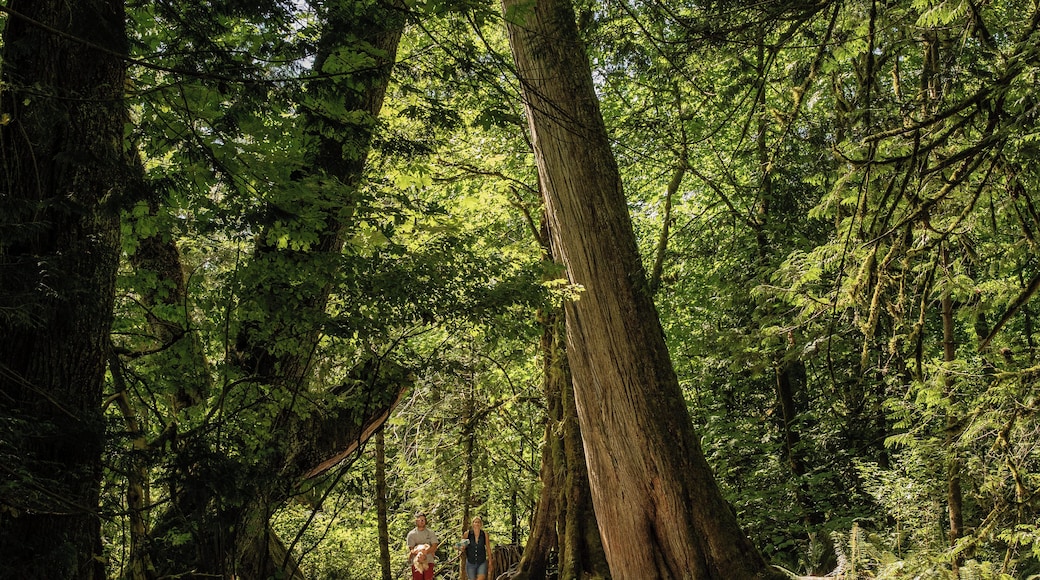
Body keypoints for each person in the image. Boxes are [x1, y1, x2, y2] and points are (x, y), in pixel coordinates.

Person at [406, 512, 439, 580]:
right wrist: (417, 551)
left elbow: (434, 546)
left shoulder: (430, 533)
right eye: (420, 520)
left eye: (423, 520)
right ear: (416, 521)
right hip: (416, 562)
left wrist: (427, 551)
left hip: (429, 560)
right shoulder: (411, 534)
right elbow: (411, 549)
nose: (422, 522)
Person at [459, 516, 493, 580]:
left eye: (478, 522)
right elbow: (461, 546)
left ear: (481, 524)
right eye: (475, 522)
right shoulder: (467, 534)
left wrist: (490, 562)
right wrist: (461, 548)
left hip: (482, 561)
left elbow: (488, 548)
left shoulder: (484, 534)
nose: (477, 524)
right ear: (472, 524)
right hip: (470, 562)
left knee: (481, 578)